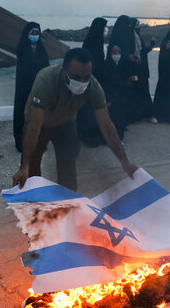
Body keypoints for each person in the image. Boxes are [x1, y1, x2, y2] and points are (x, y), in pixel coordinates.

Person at [12, 48, 138, 190]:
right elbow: (34, 125)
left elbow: (107, 126)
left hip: (65, 125)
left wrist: (124, 162)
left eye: (86, 77)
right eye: (76, 77)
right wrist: (24, 166)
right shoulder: (45, 80)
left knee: (68, 168)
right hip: (41, 125)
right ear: (64, 70)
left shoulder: (93, 87)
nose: (82, 82)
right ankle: (35, 201)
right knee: (32, 170)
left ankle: (68, 204)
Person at [14, 22, 50, 152]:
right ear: (27, 34)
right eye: (33, 33)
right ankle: (21, 142)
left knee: (38, 115)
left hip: (38, 87)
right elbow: (23, 70)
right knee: (22, 114)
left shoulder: (41, 50)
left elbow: (46, 68)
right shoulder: (22, 49)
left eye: (37, 33)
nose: (35, 36)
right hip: (24, 88)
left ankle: (38, 142)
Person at [77, 17, 108, 146]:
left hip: (97, 81)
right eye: (104, 27)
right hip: (90, 81)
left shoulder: (97, 40)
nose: (106, 30)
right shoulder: (92, 42)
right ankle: (87, 136)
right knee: (88, 110)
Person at [126, 18, 156, 124]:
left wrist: (151, 45)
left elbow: (142, 51)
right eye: (137, 25)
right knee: (135, 91)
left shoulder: (138, 37)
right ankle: (136, 116)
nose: (138, 27)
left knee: (144, 90)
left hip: (141, 69)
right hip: (133, 70)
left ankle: (147, 114)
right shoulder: (129, 37)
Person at [102, 45, 129, 139]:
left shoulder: (122, 64)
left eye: (118, 53)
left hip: (120, 95)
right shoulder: (107, 65)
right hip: (111, 96)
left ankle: (119, 137)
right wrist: (108, 99)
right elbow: (106, 83)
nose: (116, 55)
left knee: (120, 116)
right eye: (114, 53)